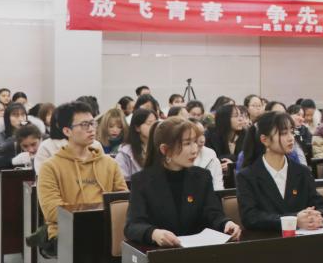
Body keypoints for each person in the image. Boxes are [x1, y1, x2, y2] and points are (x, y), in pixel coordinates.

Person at [125, 117, 241, 247]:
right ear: (165, 150)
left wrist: (225, 223)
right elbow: (132, 225)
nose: (194, 149)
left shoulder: (202, 177)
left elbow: (213, 213)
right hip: (159, 253)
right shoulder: (142, 181)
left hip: (197, 251)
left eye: (195, 142)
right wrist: (153, 233)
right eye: (187, 143)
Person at [36, 102, 127, 253]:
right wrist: (97, 214)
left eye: (92, 123)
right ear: (67, 131)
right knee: (89, 246)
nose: (91, 129)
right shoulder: (50, 167)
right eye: (84, 125)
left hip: (107, 228)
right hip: (67, 230)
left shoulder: (109, 163)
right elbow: (53, 211)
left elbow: (122, 201)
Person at [237, 111, 323, 230]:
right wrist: (294, 220)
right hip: (269, 238)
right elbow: (250, 218)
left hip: (304, 237)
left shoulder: (302, 171)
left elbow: (322, 207)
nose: (291, 138)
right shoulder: (247, 176)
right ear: (264, 140)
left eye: (292, 132)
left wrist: (319, 218)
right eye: (283, 133)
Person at [116, 108, 155, 181]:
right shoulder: (125, 154)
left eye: (155, 123)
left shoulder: (160, 148)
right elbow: (122, 181)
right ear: (137, 128)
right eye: (149, 123)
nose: (154, 127)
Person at [191, 120, 224, 190]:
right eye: (197, 135)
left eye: (203, 134)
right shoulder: (179, 158)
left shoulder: (210, 155)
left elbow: (217, 186)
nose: (202, 140)